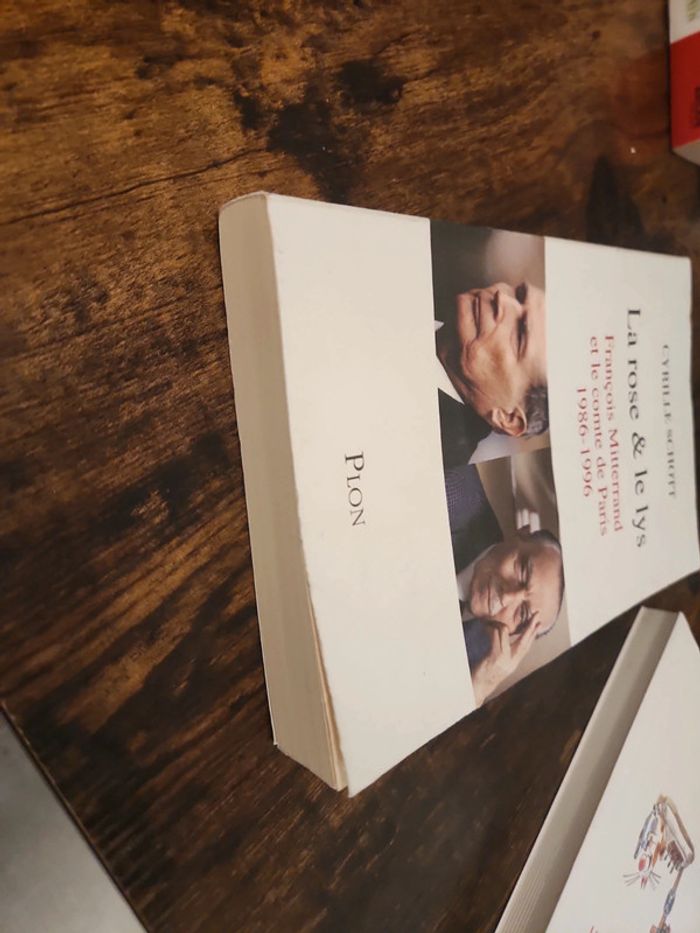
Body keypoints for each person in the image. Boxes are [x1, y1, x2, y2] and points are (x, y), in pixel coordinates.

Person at [435, 278, 549, 467]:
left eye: (520, 334)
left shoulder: (435, 453)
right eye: (519, 295)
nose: (502, 298)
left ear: (508, 418)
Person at [456, 526, 565, 705]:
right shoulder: (456, 510)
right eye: (522, 571)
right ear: (521, 532)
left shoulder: (479, 664)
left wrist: (481, 687)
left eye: (522, 613)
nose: (507, 597)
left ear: (515, 634)